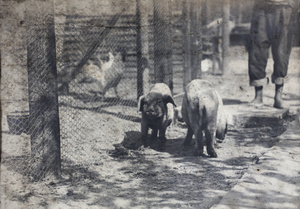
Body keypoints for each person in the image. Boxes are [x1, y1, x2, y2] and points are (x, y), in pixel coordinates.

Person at [248, 0, 299, 109]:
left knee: (282, 52)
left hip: (285, 7)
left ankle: (278, 97)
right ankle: (258, 96)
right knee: (257, 48)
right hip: (261, 6)